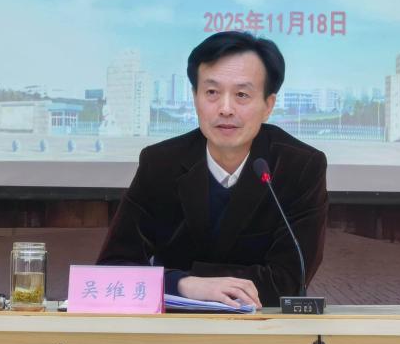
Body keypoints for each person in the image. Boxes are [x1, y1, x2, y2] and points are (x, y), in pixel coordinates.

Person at [97, 31, 328, 308]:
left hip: (263, 325)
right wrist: (183, 284)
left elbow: (288, 281)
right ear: (195, 97)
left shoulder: (300, 167)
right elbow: (112, 270)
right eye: (212, 93)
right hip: (173, 326)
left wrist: (187, 278)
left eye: (242, 94)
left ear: (268, 105)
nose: (225, 109)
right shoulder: (160, 163)